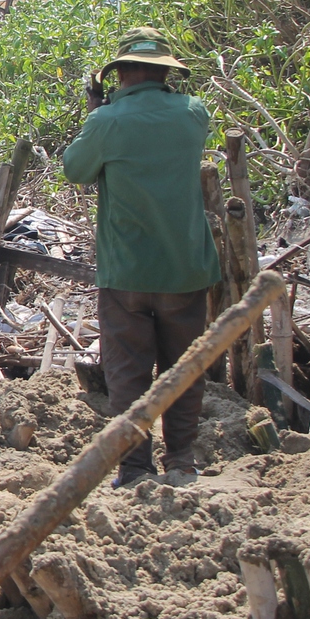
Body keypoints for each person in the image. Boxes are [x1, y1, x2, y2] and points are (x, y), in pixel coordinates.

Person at [62, 28, 222, 489]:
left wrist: (97, 112)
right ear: (166, 72)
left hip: (128, 272)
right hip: (184, 267)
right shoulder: (193, 114)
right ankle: (183, 462)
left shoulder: (108, 120)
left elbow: (77, 169)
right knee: (184, 369)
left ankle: (134, 468)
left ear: (121, 73)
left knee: (128, 374)